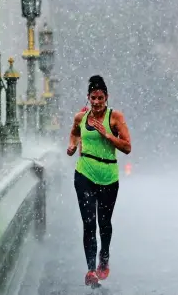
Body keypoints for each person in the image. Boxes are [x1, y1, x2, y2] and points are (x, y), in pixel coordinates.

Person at [67, 75, 132, 287]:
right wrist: (72, 146)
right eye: (93, 98)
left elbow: (127, 147)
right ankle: (91, 270)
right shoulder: (81, 117)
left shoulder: (115, 117)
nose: (96, 102)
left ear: (107, 98)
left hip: (108, 176)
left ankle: (104, 257)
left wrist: (108, 135)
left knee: (103, 223)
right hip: (84, 173)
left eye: (100, 98)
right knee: (88, 223)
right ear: (88, 97)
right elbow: (74, 133)